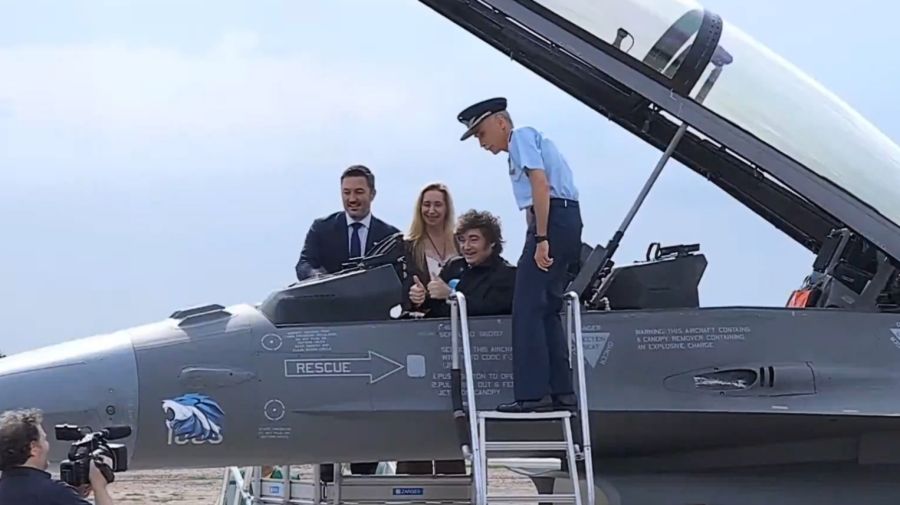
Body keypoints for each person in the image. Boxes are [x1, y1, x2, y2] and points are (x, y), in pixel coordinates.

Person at [456, 97, 581, 413]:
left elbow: (541, 184)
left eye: (482, 133)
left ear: (500, 122)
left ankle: (531, 394)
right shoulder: (514, 154)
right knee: (545, 308)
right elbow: (530, 204)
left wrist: (541, 239)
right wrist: (534, 236)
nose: (482, 143)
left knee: (526, 308)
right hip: (558, 220)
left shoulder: (521, 137)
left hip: (552, 221)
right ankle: (560, 391)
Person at [295, 165, 401, 281]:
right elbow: (304, 264)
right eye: (346, 193)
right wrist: (317, 276)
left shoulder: (390, 236)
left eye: (359, 192)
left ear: (372, 194)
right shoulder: (321, 228)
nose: (352, 199)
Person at [408, 209, 515, 319]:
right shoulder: (454, 266)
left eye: (473, 240)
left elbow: (491, 309)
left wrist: (452, 296)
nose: (466, 246)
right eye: (462, 240)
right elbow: (435, 305)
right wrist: (421, 298)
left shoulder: (508, 274)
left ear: (492, 242)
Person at [0, 408, 115, 505]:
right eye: (44, 439)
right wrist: (99, 487)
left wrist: (74, 495)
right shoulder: (54, 493)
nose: (47, 445)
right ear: (34, 448)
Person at [402, 182, 460, 315]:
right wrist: (415, 297)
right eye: (427, 205)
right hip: (427, 321)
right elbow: (403, 291)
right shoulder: (408, 247)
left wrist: (450, 293)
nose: (431, 210)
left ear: (447, 208)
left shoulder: (461, 243)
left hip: (461, 317)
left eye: (438, 205)